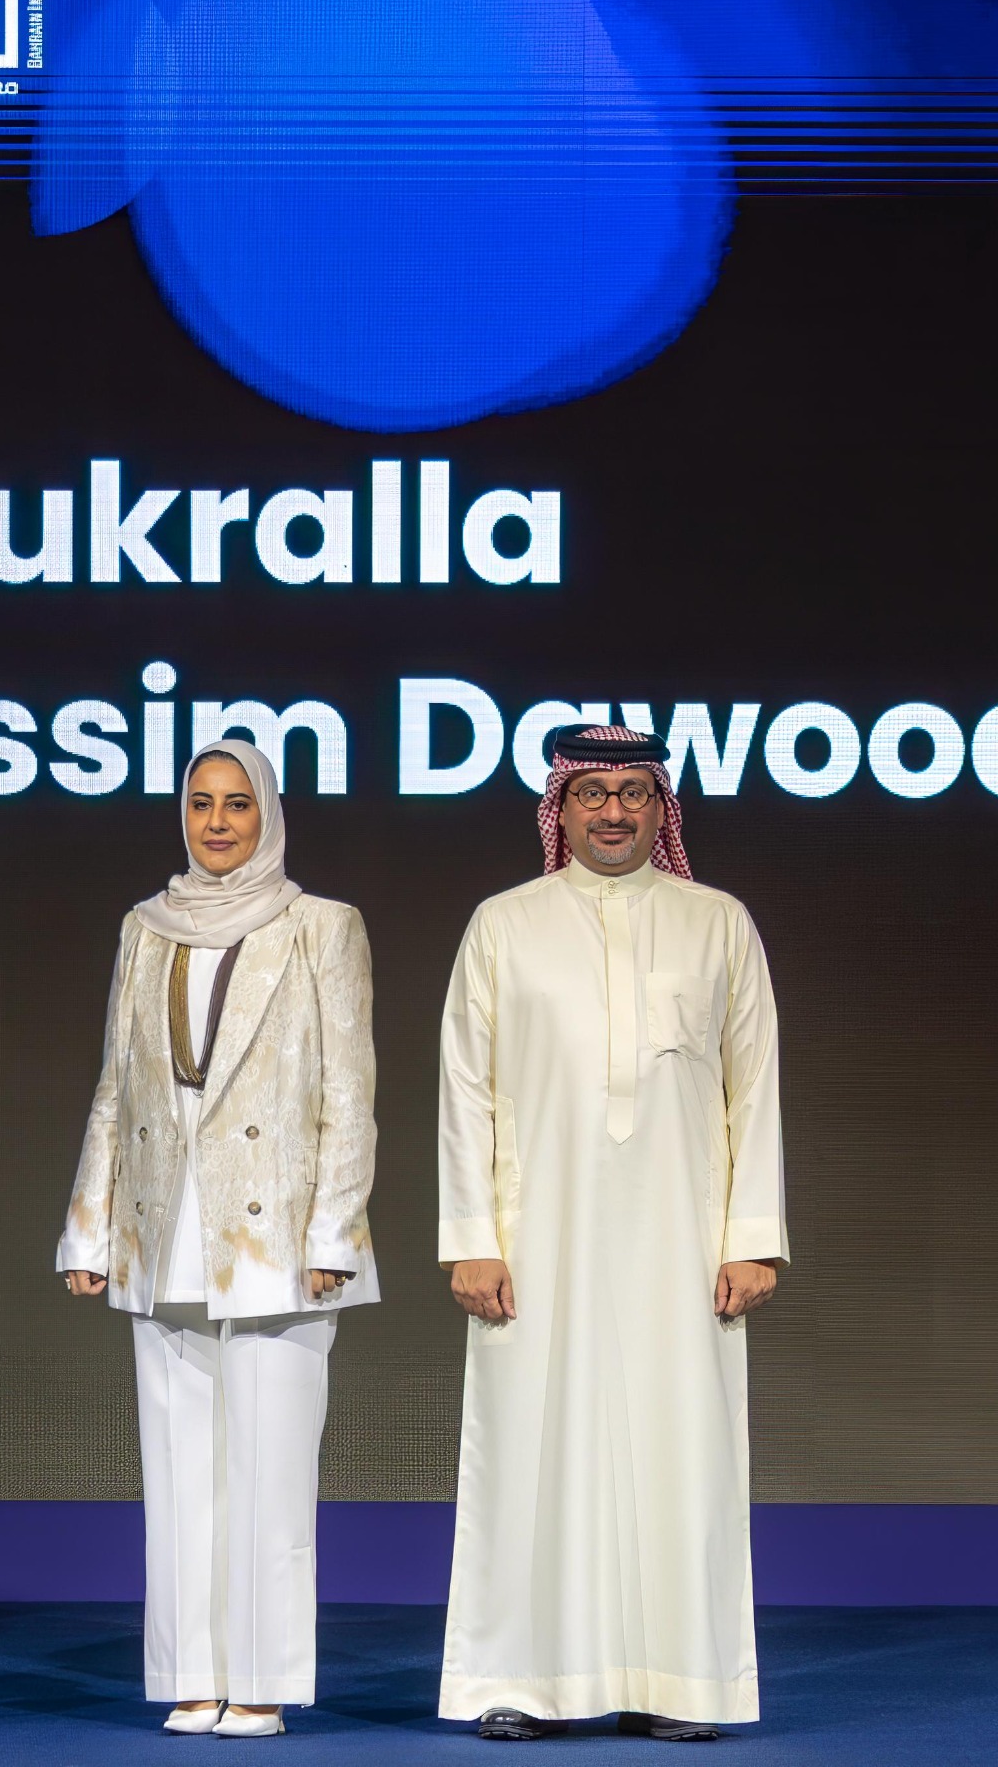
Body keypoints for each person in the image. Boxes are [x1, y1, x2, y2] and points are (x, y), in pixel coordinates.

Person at [438, 725, 787, 1741]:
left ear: (660, 807)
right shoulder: (504, 923)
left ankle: (680, 1682)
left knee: (684, 1451)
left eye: (634, 792)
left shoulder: (717, 922)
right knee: (532, 1446)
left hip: (685, 1235)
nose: (613, 812)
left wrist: (751, 1235)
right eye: (591, 793)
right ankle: (521, 1680)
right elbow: (465, 1090)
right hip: (536, 1235)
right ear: (561, 806)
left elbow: (754, 1085)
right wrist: (471, 1234)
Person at [58, 740, 379, 1739]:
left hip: (278, 1231)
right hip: (166, 1224)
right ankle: (191, 1672)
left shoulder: (320, 925)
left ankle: (264, 1678)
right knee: (177, 1469)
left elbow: (349, 1090)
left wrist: (334, 1230)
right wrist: (88, 1228)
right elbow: (115, 1084)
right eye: (200, 803)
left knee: (269, 1473)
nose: (217, 822)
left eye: (237, 804)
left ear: (267, 814)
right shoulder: (145, 926)